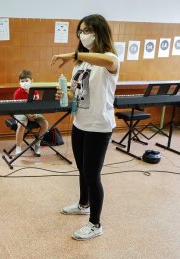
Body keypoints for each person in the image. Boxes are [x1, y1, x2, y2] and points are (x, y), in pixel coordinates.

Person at [51, 14, 119, 240]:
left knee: (92, 175)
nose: (83, 34)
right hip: (80, 123)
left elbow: (108, 62)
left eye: (87, 30)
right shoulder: (80, 65)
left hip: (99, 126)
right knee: (82, 170)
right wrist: (66, 94)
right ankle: (83, 204)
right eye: (80, 31)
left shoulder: (110, 59)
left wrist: (73, 54)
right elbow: (78, 94)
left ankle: (95, 224)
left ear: (99, 31)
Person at [13, 69, 49, 156]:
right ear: (19, 82)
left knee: (45, 124)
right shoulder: (17, 93)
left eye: (26, 80)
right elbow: (17, 108)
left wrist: (35, 113)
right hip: (20, 112)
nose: (24, 82)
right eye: (22, 81)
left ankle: (37, 144)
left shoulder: (35, 92)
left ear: (31, 81)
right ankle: (18, 147)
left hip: (33, 112)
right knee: (22, 123)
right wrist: (28, 115)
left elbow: (37, 105)